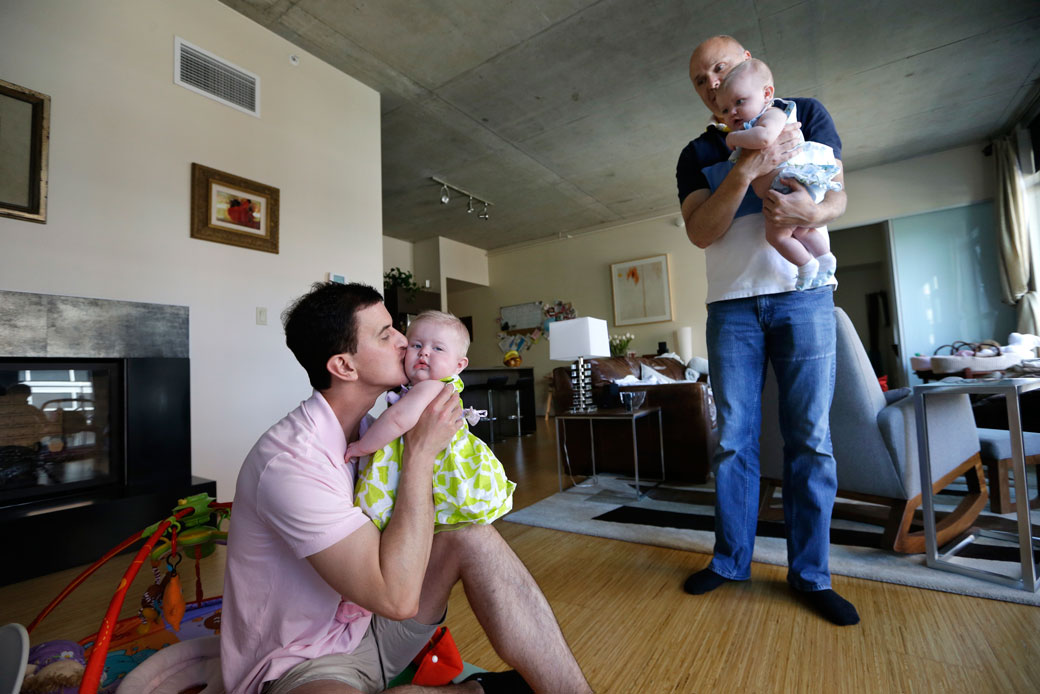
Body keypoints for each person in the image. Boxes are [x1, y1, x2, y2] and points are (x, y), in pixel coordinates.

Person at [221, 282, 594, 694]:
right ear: (344, 367)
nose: (406, 342)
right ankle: (475, 690)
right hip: (304, 661)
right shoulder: (290, 464)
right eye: (386, 335)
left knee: (473, 535)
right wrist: (421, 454)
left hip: (374, 628)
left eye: (397, 328)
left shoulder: (373, 430)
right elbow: (397, 598)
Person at [675, 35, 859, 626]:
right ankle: (731, 563)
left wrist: (813, 213)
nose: (711, 84)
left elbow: (837, 195)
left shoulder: (803, 113)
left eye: (719, 69)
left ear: (748, 64)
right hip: (731, 307)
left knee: (810, 439)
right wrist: (743, 165)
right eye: (701, 80)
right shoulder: (696, 152)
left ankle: (810, 575)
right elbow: (702, 231)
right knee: (733, 442)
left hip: (804, 300)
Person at [348, 310, 515, 532]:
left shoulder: (432, 387)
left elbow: (397, 420)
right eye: (416, 345)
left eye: (437, 348)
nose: (424, 353)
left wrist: (362, 446)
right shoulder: (434, 387)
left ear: (459, 365)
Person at [715, 59, 842, 290]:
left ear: (767, 94)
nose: (732, 112)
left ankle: (806, 265)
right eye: (725, 110)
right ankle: (825, 258)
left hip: (786, 185)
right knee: (803, 231)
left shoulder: (772, 113)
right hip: (782, 187)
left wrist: (732, 138)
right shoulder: (750, 125)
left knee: (778, 237)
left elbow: (764, 138)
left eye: (740, 102)